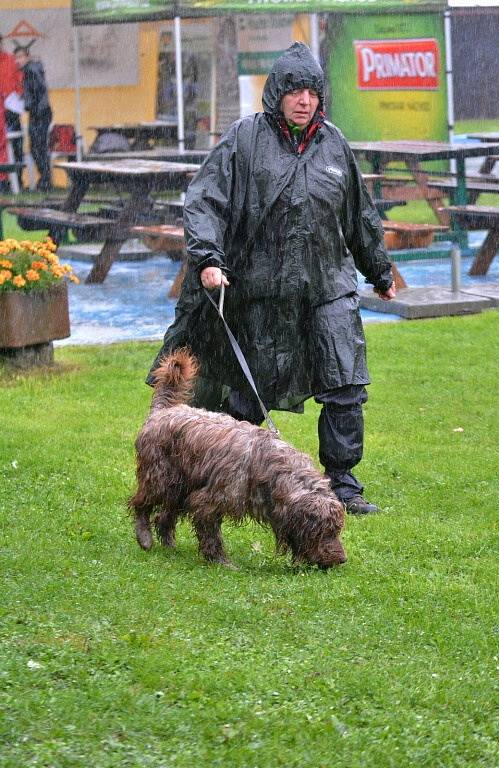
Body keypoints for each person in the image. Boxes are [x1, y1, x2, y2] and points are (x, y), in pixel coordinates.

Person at [149, 42, 396, 515]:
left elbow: (358, 216)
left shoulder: (335, 145)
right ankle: (220, 476)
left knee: (345, 381)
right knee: (244, 393)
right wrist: (207, 258)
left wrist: (378, 270)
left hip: (327, 287)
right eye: (294, 91)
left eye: (312, 91)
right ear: (276, 94)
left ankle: (342, 483)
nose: (304, 100)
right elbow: (205, 201)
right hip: (259, 289)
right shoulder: (245, 140)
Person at [14, 43, 52, 192]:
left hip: (39, 112)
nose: (17, 61)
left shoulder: (30, 70)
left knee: (37, 148)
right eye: (16, 58)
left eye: (20, 57)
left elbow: (37, 90)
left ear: (27, 57)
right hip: (40, 111)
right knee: (38, 148)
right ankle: (45, 180)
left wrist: (26, 103)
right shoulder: (33, 69)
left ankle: (45, 181)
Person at [0, 35, 24, 189]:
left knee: (16, 144)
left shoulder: (10, 60)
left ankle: (16, 180)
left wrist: (17, 95)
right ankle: (4, 181)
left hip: (11, 109)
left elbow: (20, 81)